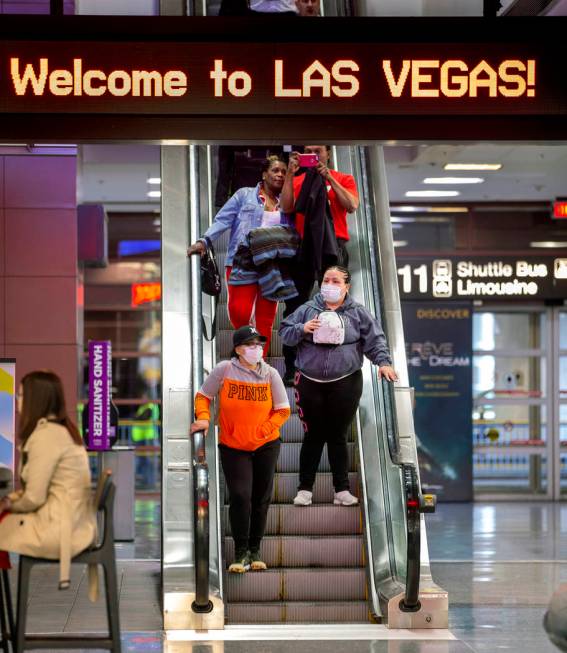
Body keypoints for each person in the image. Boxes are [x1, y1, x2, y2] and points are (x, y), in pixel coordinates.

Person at [279, 266, 398, 507]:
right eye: (326, 280)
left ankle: (341, 490)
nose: (329, 284)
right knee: (313, 434)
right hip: (309, 382)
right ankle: (304, 489)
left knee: (338, 435)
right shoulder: (307, 309)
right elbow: (284, 333)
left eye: (335, 281)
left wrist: (383, 363)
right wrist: (302, 329)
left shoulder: (358, 313)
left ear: (346, 286)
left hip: (346, 381)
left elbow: (375, 340)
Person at [190, 326, 290, 573]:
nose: (256, 349)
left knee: (261, 497)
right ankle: (240, 552)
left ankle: (255, 551)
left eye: (259, 344)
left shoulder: (271, 374)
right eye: (250, 344)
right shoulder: (224, 369)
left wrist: (265, 430)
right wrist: (203, 418)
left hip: (266, 445)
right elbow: (203, 396)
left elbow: (283, 409)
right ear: (238, 349)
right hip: (233, 446)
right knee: (240, 496)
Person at [188, 156, 295, 356]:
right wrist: (205, 241)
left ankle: (259, 363)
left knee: (266, 318)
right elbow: (222, 220)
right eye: (275, 170)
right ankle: (244, 353)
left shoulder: (288, 201)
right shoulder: (244, 195)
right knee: (239, 312)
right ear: (264, 174)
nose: (280, 174)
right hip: (242, 262)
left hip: (273, 266)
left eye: (283, 171)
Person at [0, 370, 96, 589]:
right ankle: (6, 620)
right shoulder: (62, 430)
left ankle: (6, 620)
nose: (17, 402)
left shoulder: (46, 436)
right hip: (73, 523)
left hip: (57, 528)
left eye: (21, 396)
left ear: (36, 401)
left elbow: (33, 498)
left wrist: (8, 503)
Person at [280, 146, 359, 384]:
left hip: (334, 248)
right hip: (302, 247)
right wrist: (291, 174)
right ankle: (291, 367)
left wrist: (329, 178)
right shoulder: (299, 179)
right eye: (308, 152)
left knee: (337, 305)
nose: (313, 155)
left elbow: (352, 205)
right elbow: (286, 207)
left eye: (317, 151)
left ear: (327, 154)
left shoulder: (343, 178)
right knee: (295, 305)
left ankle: (335, 364)